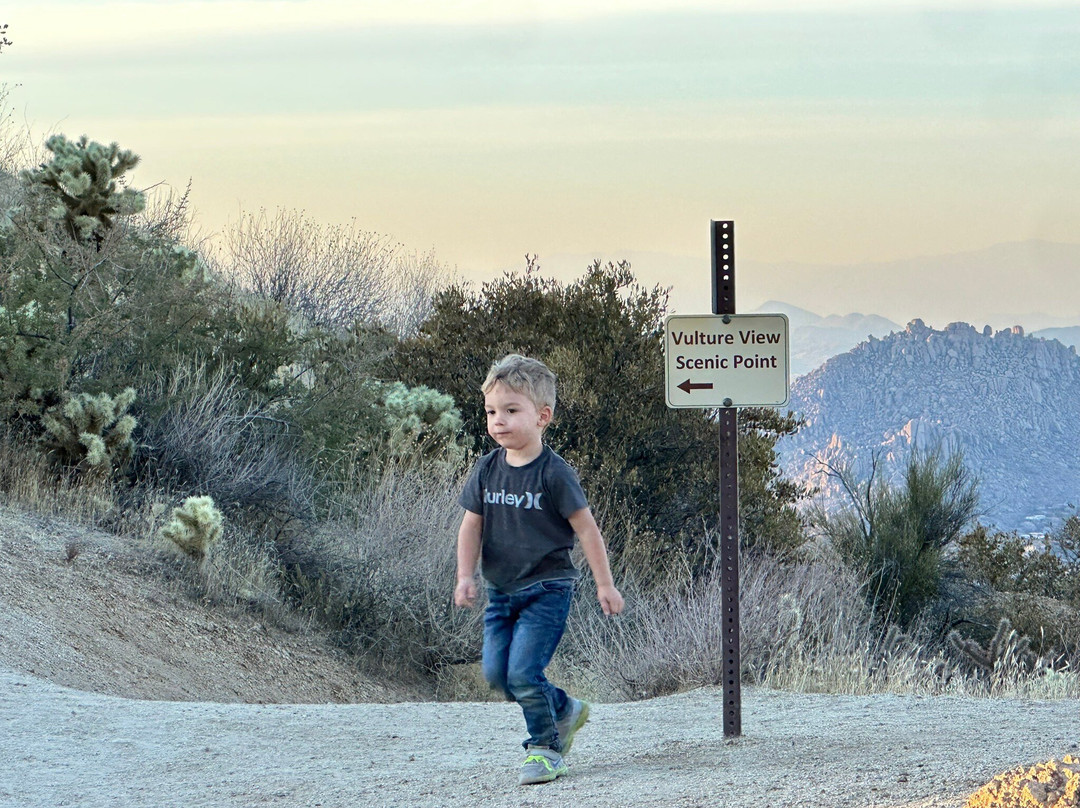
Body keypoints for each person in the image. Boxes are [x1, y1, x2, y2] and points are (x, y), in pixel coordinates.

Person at [454, 353, 625, 786]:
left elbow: (587, 530)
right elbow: (470, 526)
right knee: (497, 675)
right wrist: (464, 575)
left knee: (523, 673)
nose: (498, 421)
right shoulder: (487, 468)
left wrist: (604, 584)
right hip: (501, 591)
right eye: (492, 411)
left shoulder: (555, 473)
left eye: (511, 411)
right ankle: (565, 708)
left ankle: (545, 748)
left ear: (542, 416)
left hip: (547, 589)